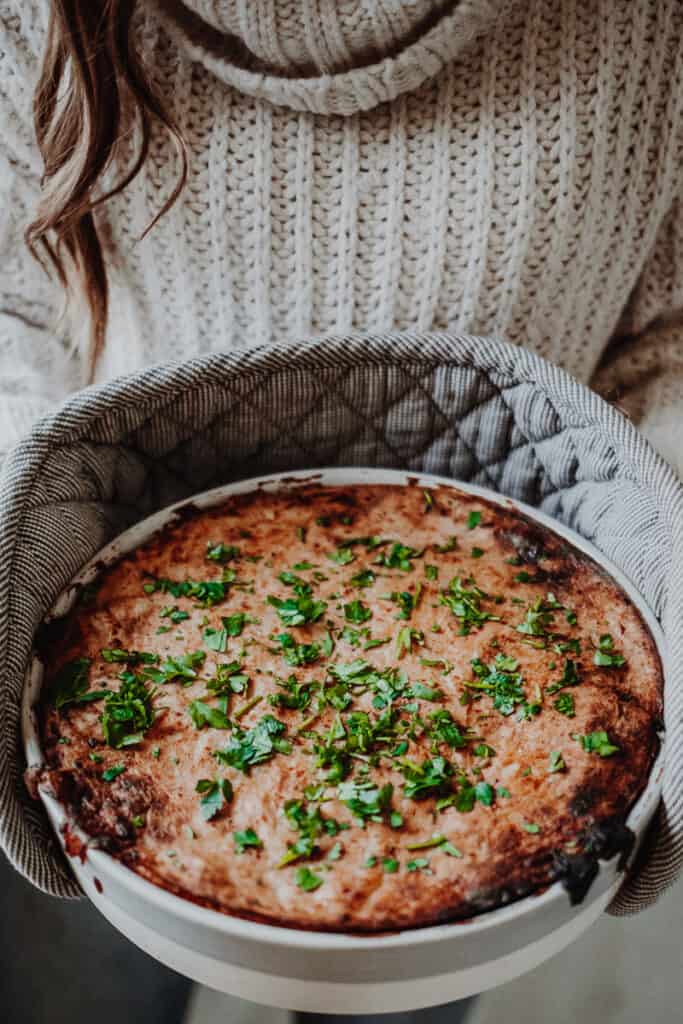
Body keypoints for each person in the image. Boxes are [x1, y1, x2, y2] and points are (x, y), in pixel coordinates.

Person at [0, 2, 681, 1023]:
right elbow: (13, 305)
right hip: (96, 627)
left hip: (514, 752)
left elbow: (667, 347)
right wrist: (26, 505)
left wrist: (654, 535)